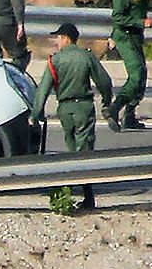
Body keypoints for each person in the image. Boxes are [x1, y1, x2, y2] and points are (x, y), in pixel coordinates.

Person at [31, 22, 112, 208]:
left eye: (58, 38)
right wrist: (107, 103)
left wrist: (35, 115)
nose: (57, 42)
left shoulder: (56, 61)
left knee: (71, 150)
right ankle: (87, 196)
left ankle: (67, 193)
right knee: (84, 152)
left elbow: (43, 90)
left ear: (66, 38)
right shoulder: (87, 57)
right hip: (84, 107)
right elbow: (105, 82)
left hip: (65, 110)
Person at [107, 0, 152, 131]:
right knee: (137, 74)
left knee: (141, 77)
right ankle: (115, 108)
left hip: (135, 38)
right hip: (124, 36)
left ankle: (129, 116)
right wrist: (140, 22)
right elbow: (117, 17)